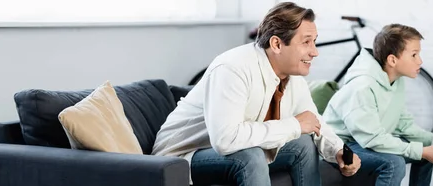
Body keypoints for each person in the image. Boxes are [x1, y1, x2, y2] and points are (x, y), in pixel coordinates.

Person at [151, 2, 361, 186]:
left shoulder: (292, 76)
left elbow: (312, 121)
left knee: (303, 144)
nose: (315, 51)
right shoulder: (233, 68)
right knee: (250, 156)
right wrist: (295, 125)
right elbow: (226, 139)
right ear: (277, 44)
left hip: (229, 151)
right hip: (181, 157)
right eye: (306, 42)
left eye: (314, 41)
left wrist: (339, 151)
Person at [322, 23, 433, 186]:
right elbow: (372, 139)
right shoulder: (362, 87)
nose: (420, 61)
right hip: (341, 145)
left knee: (428, 148)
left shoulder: (395, 80)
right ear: (392, 60)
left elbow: (403, 124)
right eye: (414, 55)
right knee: (395, 164)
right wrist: (421, 151)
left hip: (364, 141)